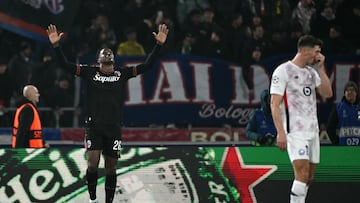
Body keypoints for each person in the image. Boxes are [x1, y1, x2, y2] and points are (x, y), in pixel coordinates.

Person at [46, 23, 169, 203]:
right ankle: (93, 198)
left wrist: (159, 45)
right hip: (93, 127)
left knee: (111, 168)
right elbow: (65, 65)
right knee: (92, 164)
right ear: (98, 60)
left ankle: (109, 201)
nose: (107, 52)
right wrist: (56, 46)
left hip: (113, 127)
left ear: (114, 58)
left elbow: (148, 65)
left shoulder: (122, 73)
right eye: (103, 52)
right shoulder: (89, 71)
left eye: (109, 52)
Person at [270, 35, 333, 203]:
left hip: (313, 131)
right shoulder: (283, 71)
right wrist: (280, 133)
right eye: (316, 52)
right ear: (305, 50)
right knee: (302, 173)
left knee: (309, 177)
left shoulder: (312, 72)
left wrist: (321, 67)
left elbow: (327, 93)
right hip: (294, 131)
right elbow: (274, 104)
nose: (318, 55)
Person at [326, 81, 360, 145]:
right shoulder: (338, 108)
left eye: (352, 90)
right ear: (344, 93)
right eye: (347, 90)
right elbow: (329, 127)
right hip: (343, 147)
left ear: (356, 93)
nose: (350, 92)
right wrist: (337, 142)